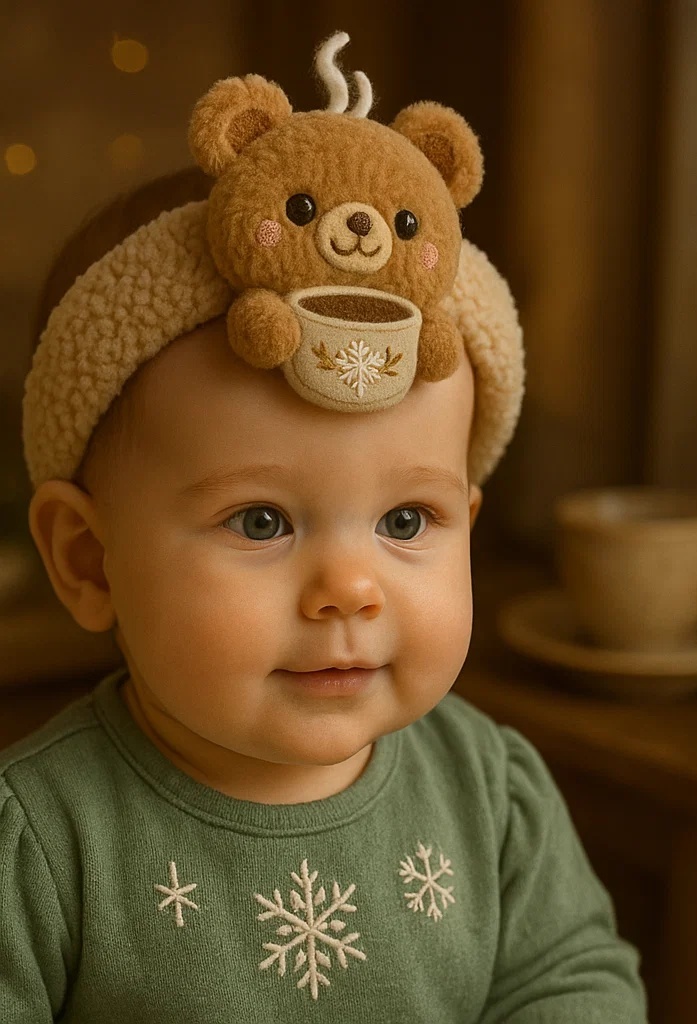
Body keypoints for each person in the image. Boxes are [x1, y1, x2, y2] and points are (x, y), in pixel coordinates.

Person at [2, 60, 648, 1024]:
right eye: (260, 521)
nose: (349, 588)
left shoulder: (489, 793)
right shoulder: (43, 842)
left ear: (466, 528)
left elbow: (574, 980)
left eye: (403, 522)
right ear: (88, 562)